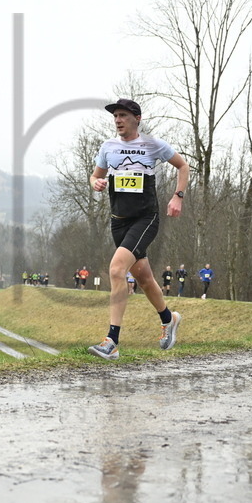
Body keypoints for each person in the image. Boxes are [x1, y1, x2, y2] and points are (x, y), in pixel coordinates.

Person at [87, 98, 190, 360]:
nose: (118, 120)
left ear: (137, 118)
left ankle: (112, 341)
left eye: (123, 115)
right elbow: (96, 175)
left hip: (145, 219)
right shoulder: (108, 147)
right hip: (118, 220)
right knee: (144, 279)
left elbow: (183, 166)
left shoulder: (153, 144)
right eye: (115, 116)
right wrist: (95, 182)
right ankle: (169, 319)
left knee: (116, 269)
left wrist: (178, 196)